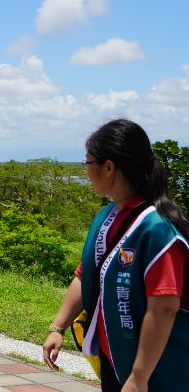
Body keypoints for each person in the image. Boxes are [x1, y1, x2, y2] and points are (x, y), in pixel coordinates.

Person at [42, 119, 189, 392]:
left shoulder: (157, 228)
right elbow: (87, 274)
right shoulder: (107, 217)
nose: (85, 171)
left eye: (87, 163)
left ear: (108, 167)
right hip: (117, 361)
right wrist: (58, 327)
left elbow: (165, 307)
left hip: (159, 369)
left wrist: (139, 377)